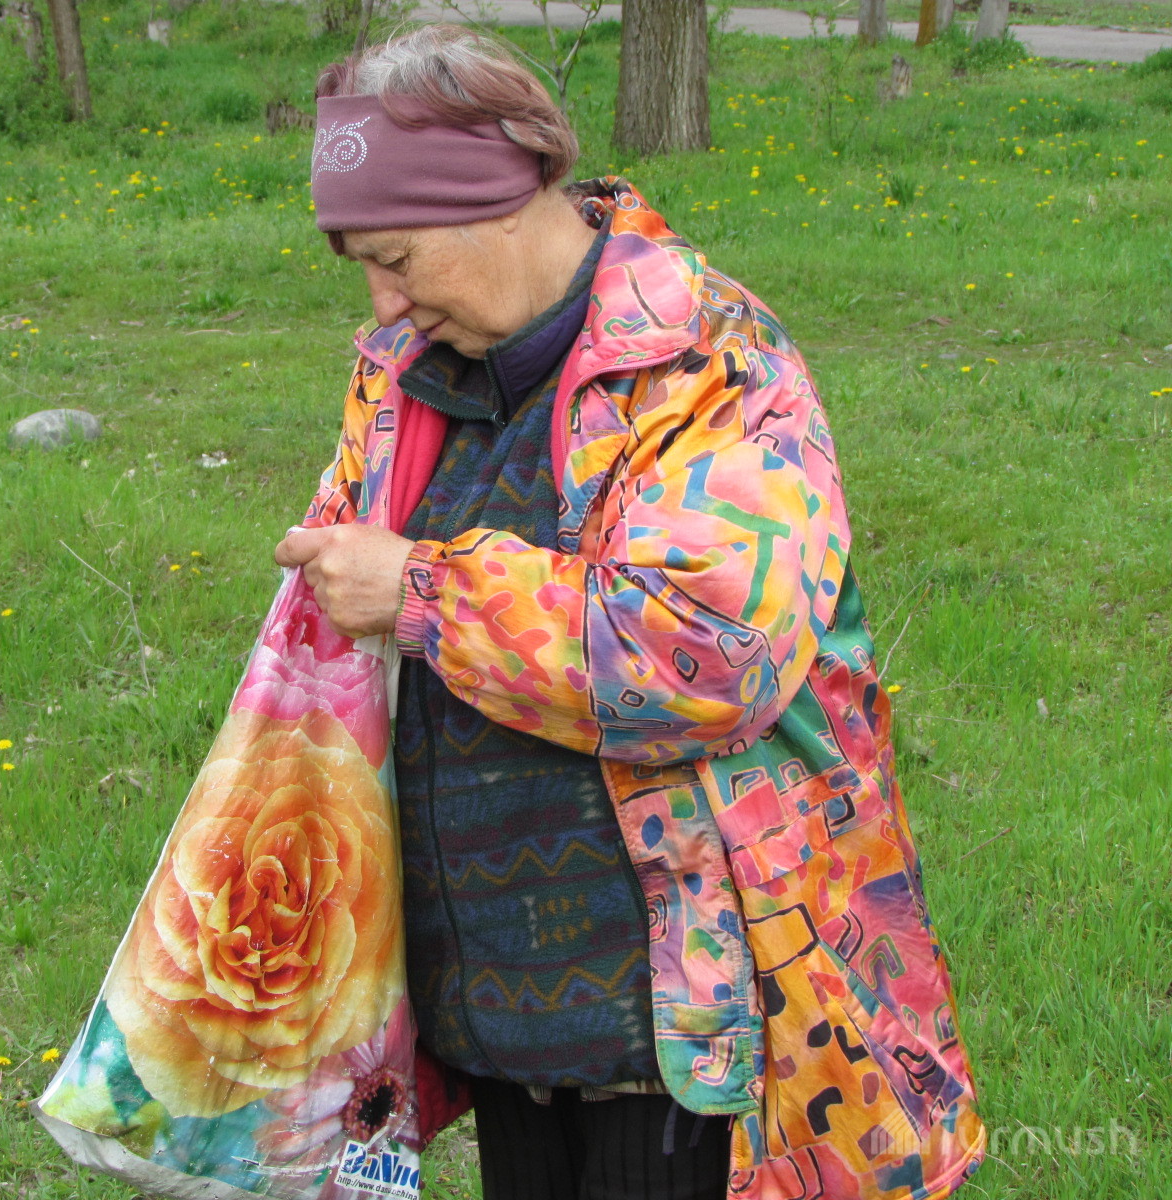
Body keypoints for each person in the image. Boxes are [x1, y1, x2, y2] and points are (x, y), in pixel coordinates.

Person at [274, 25, 986, 1200]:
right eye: (360, 263)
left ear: (496, 202)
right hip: (503, 1015)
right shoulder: (405, 375)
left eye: (396, 257)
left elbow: (705, 655)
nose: (383, 299)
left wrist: (418, 591)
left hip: (688, 1035)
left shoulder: (707, 360)